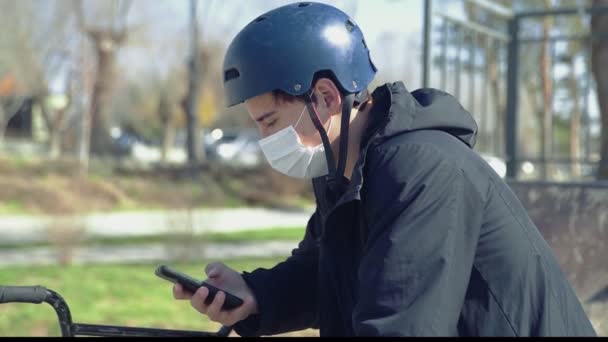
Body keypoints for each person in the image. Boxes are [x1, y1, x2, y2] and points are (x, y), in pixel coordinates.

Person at [172, 2, 597, 337]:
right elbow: (323, 276)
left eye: (269, 121)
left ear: (325, 97)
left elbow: (401, 323)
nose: (266, 140)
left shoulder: (421, 169)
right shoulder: (345, 171)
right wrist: (255, 295)